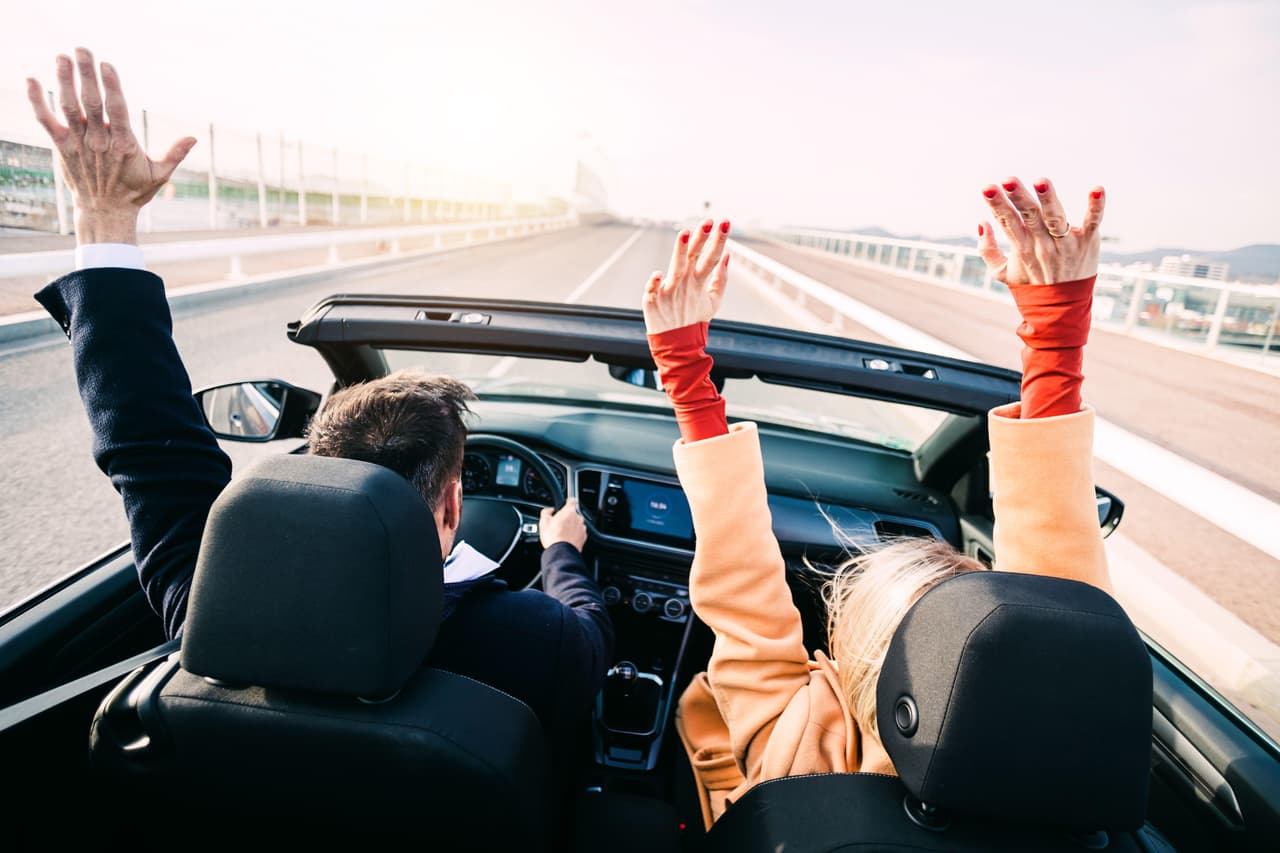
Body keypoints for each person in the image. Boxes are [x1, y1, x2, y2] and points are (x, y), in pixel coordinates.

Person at [24, 48, 612, 752]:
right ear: (452, 503)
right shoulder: (532, 640)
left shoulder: (217, 602)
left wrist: (102, 218)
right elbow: (590, 636)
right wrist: (562, 554)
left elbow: (146, 443)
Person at [643, 180, 1110, 828]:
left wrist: (690, 380)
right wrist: (1055, 343)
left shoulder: (801, 747)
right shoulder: (1058, 789)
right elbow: (1064, 616)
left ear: (856, 663)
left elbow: (741, 591)